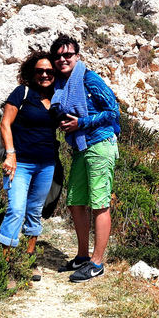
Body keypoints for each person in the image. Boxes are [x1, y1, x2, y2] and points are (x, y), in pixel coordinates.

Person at [50, 34, 120, 283]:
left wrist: (82, 122)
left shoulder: (89, 79)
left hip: (100, 143)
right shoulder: (61, 84)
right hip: (81, 147)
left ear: (77, 56)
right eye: (57, 56)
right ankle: (82, 256)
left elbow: (113, 110)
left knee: (99, 202)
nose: (62, 59)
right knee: (75, 201)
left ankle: (97, 263)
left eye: (67, 54)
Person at [0, 50, 58, 282]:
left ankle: (29, 261)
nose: (44, 74)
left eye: (49, 71)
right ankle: (6, 266)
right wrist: (10, 154)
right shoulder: (22, 93)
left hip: (46, 165)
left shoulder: (57, 96)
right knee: (16, 210)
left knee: (34, 212)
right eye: (40, 71)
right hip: (20, 164)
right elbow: (5, 123)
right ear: (32, 73)